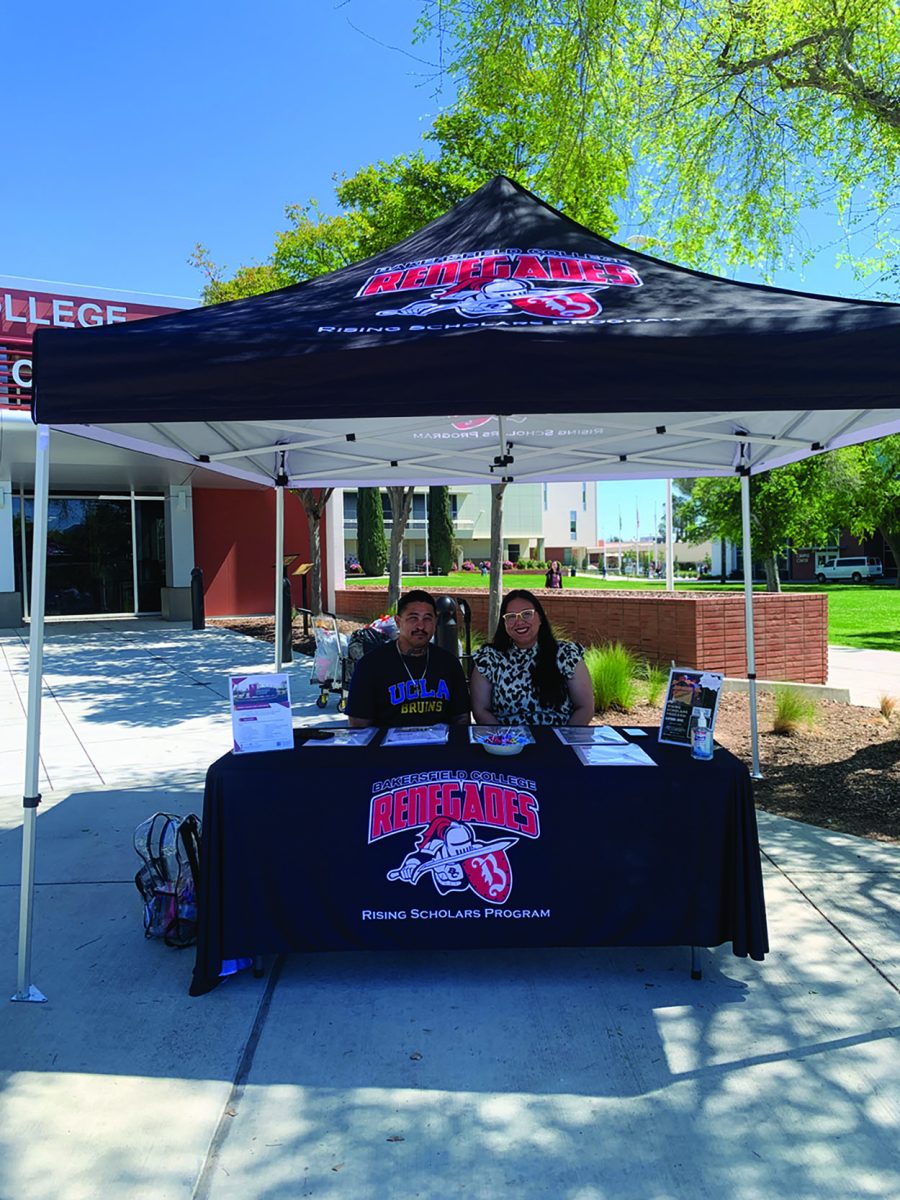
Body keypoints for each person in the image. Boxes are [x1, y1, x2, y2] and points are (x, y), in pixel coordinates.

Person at [346, 589, 470, 727]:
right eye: (413, 618)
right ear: (398, 622)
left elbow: (461, 717)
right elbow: (358, 724)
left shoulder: (449, 664)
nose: (421, 626)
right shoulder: (370, 665)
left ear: (435, 622)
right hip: (386, 746)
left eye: (427, 619)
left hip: (439, 746)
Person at [470, 589, 594, 726]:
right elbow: (481, 711)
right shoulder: (489, 658)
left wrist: (565, 739)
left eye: (527, 614)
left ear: (540, 618)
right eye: (511, 616)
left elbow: (585, 708)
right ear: (504, 623)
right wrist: (505, 741)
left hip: (559, 740)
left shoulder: (567, 654)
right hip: (507, 741)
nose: (519, 621)